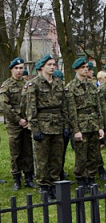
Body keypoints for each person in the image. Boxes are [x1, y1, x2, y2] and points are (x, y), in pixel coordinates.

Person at [26, 54, 67, 192]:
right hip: (43, 124)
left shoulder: (59, 82)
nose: (52, 67)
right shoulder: (35, 84)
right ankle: (43, 184)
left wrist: (66, 125)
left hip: (57, 124)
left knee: (56, 156)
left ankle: (54, 182)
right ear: (42, 66)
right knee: (42, 157)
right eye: (49, 65)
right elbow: (31, 108)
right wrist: (34, 128)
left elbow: (64, 106)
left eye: (53, 64)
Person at [66, 56, 106, 188]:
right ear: (76, 69)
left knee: (94, 154)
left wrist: (100, 127)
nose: (86, 69)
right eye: (83, 67)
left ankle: (91, 178)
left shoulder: (92, 86)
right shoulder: (71, 87)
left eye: (87, 67)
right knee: (81, 156)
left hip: (93, 124)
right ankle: (81, 179)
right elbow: (71, 111)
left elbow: (98, 107)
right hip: (81, 125)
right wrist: (76, 130)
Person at [0, 57, 35, 189]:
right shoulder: (7, 85)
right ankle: (16, 179)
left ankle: (28, 178)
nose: (19, 71)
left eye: (21, 68)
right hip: (14, 124)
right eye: (17, 68)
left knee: (28, 150)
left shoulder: (27, 84)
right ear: (11, 69)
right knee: (15, 152)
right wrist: (18, 120)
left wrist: (28, 119)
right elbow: (5, 106)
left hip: (27, 122)